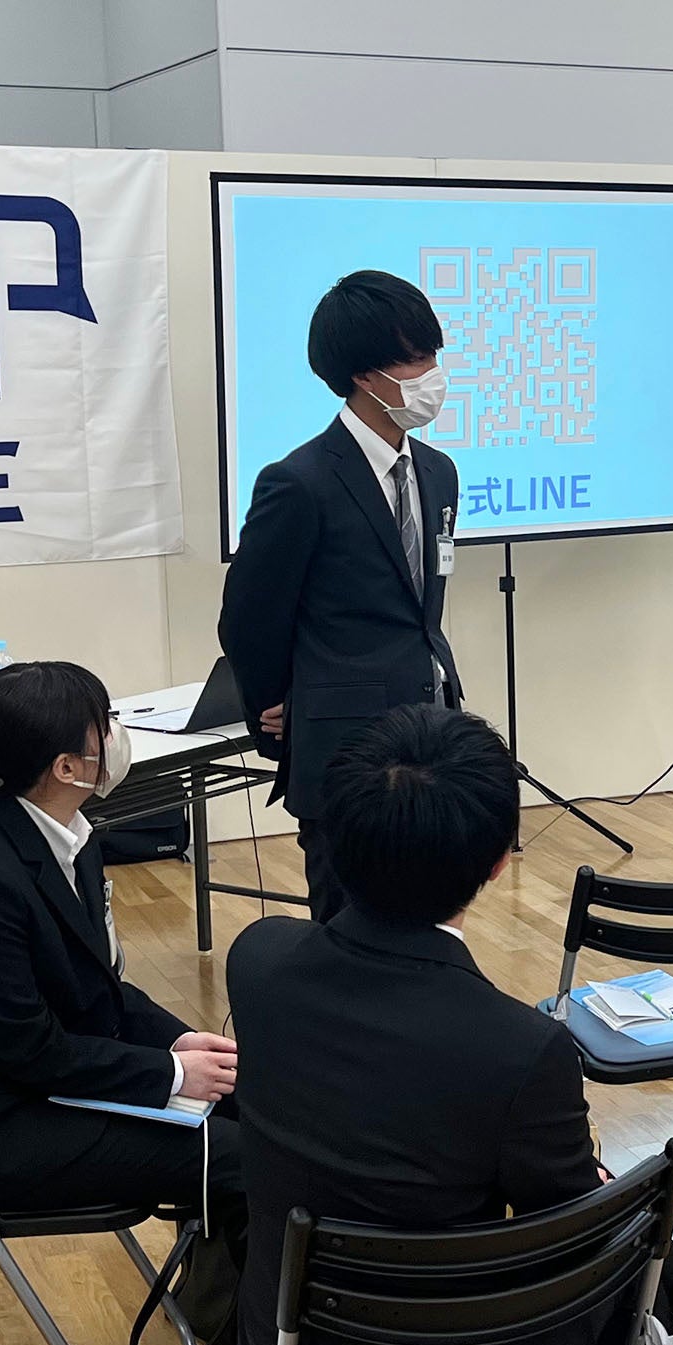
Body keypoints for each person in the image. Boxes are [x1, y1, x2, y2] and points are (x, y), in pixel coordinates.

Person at [228, 703, 673, 1345]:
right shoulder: (518, 1049)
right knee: (618, 1216)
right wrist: (606, 1195)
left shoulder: (258, 959)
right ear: (499, 863)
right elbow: (575, 1244)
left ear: (331, 834)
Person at [0, 661, 247, 1320]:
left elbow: (98, 988)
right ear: (67, 767)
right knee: (250, 1156)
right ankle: (242, 1325)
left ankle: (224, 1309)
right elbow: (32, 1052)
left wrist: (180, 1042)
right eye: (106, 725)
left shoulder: (67, 836)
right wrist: (170, 1074)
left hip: (43, 1084)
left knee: (258, 1099)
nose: (117, 735)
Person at [219, 269, 465, 923]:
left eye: (433, 354)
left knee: (429, 910)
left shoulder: (439, 471)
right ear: (363, 374)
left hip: (432, 733)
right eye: (414, 359)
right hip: (344, 748)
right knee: (346, 920)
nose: (431, 374)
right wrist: (276, 704)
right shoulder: (299, 482)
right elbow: (248, 617)